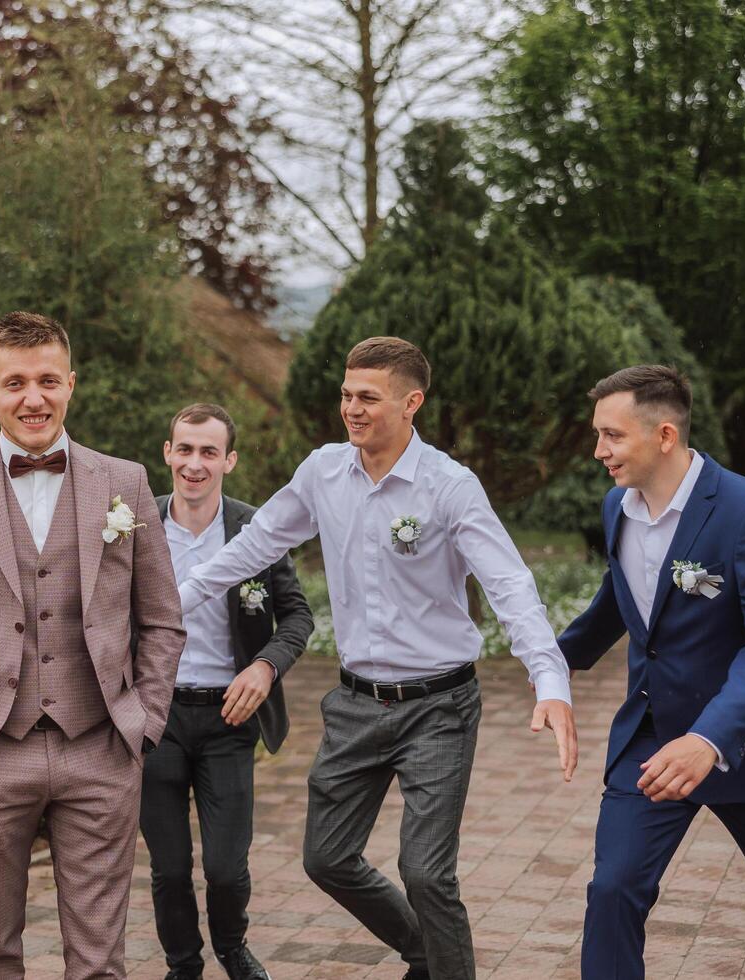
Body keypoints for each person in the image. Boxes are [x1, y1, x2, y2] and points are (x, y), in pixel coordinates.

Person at [177, 336, 578, 980]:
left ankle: (446, 968)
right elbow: (256, 543)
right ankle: (425, 950)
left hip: (440, 706)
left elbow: (509, 586)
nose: (352, 409)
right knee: (326, 858)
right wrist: (183, 595)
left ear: (412, 403)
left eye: (369, 397)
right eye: (346, 394)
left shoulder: (450, 486)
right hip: (355, 705)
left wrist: (548, 679)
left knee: (426, 872)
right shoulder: (322, 472)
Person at [0, 311, 186, 978]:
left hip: (101, 747)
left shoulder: (125, 482)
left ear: (71, 384)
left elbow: (162, 619)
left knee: (100, 961)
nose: (34, 397)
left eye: (49, 380)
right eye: (16, 382)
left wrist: (142, 724)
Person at [559, 365, 745, 978]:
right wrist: (547, 662)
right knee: (612, 892)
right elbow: (621, 600)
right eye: (598, 435)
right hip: (652, 735)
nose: (599, 451)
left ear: (664, 435)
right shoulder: (618, 505)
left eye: (612, 436)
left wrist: (709, 738)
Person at [143, 403, 313, 980]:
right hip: (155, 717)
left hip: (228, 717)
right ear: (167, 453)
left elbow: (296, 617)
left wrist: (265, 667)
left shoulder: (253, 529)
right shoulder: (134, 526)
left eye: (208, 452)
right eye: (185, 449)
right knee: (167, 867)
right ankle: (182, 965)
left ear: (229, 460)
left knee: (224, 867)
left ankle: (233, 947)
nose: (195, 463)